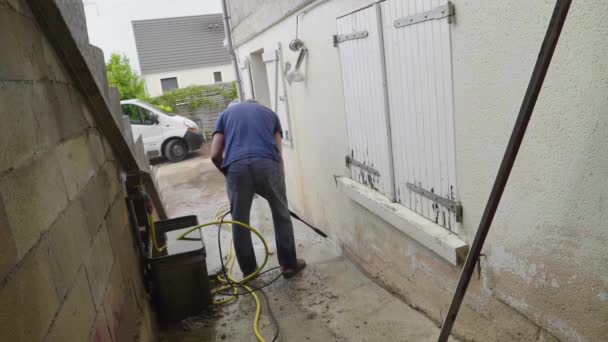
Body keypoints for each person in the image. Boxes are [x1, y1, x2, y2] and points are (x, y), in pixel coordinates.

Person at [210, 99, 306, 279]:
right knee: (281, 214)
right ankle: (289, 265)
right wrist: (273, 186)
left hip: (236, 167)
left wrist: (230, 175)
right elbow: (278, 153)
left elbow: (215, 154)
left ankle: (249, 271)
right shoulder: (269, 113)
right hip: (268, 164)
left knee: (239, 220)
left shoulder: (224, 115)